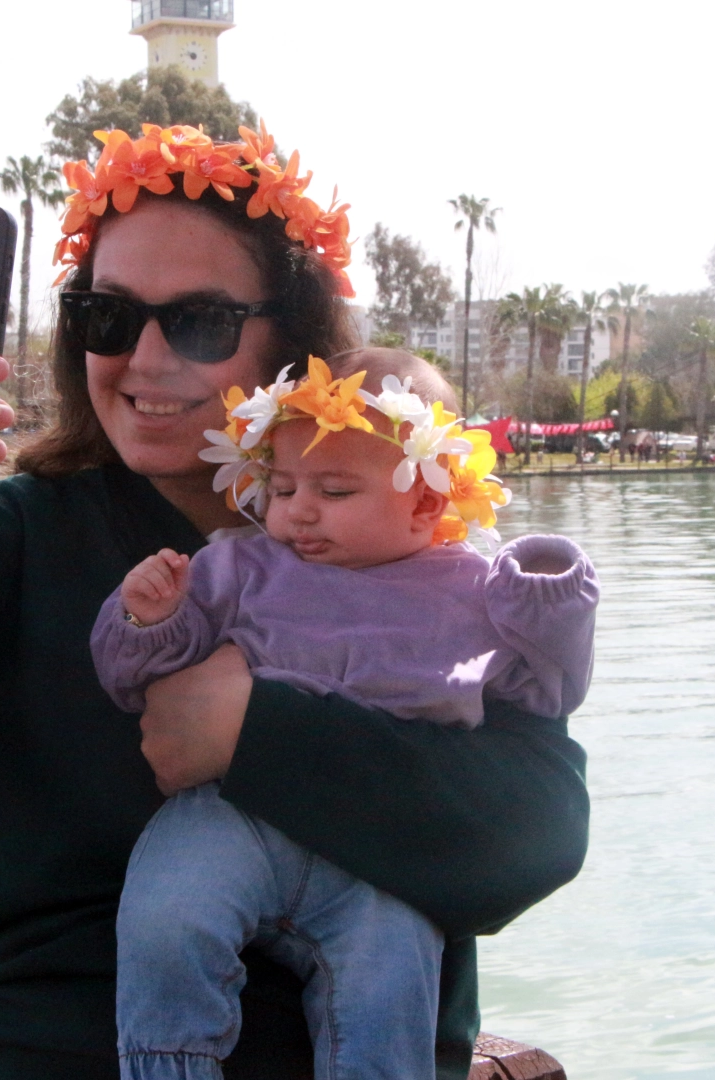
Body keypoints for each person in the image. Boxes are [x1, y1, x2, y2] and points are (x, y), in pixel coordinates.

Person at [0, 123, 589, 1079]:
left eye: (199, 321)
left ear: (294, 341)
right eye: (107, 316)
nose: (142, 357)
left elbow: (535, 834)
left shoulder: (430, 558)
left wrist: (253, 732)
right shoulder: (12, 533)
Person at [93, 348, 598, 1080]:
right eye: (283, 485)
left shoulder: (474, 591)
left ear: (426, 502)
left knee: (388, 980)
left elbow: (549, 690)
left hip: (381, 848)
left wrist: (550, 595)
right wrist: (149, 617)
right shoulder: (239, 565)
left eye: (333, 490)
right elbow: (130, 679)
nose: (298, 509)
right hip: (229, 813)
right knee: (167, 920)